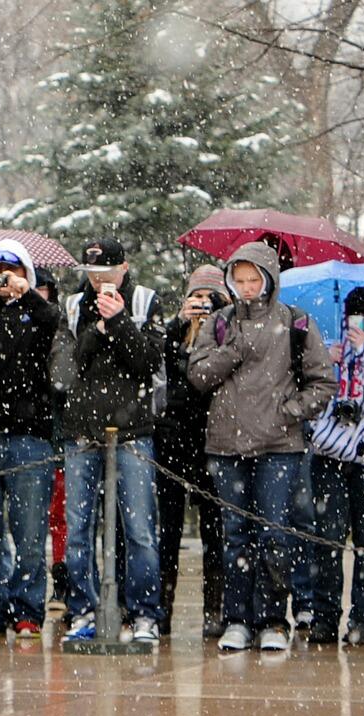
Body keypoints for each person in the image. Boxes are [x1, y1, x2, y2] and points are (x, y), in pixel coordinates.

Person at [188, 241, 335, 652]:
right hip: (226, 446)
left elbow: (323, 383)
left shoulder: (296, 322)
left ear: (269, 279)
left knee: (276, 534)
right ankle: (237, 618)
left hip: (279, 445)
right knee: (235, 536)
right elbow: (197, 375)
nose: (248, 287)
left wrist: (288, 411)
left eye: (255, 279)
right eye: (240, 279)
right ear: (230, 281)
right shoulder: (219, 322)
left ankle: (273, 619)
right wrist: (232, 350)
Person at [50, 238, 166, 645]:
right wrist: (96, 331)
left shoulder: (146, 301)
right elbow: (64, 370)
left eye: (107, 274)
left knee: (139, 529)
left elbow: (149, 363)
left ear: (124, 268)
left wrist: (118, 323)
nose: (99, 282)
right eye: (93, 275)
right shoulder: (71, 306)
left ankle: (144, 614)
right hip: (82, 429)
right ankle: (83, 610)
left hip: (132, 429)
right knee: (79, 527)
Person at [0, 239, 60, 637]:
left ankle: (28, 609)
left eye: (14, 270)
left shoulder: (38, 315)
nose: (4, 278)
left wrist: (29, 297)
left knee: (29, 530)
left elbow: (56, 325)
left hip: (29, 434)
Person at [306, 286, 364, 647]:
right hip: (330, 456)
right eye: (353, 314)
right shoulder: (332, 350)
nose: (358, 322)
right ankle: (325, 617)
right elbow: (314, 394)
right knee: (327, 540)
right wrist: (327, 361)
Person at [158, 263, 228, 638]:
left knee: (214, 530)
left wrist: (215, 326)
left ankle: (214, 609)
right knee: (166, 529)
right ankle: (163, 608)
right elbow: (159, 366)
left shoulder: (224, 332)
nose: (201, 304)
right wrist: (178, 325)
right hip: (172, 441)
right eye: (195, 297)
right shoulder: (174, 334)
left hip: (212, 440)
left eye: (209, 298)